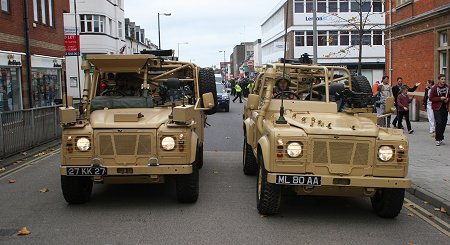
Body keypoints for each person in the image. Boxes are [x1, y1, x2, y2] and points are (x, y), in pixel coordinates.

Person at [429, 74, 450, 146]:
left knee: (444, 123)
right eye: (442, 79)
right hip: (437, 108)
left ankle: (441, 138)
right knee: (439, 122)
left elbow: (449, 96)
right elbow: (431, 98)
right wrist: (440, 98)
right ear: (439, 80)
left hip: (445, 107)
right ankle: (437, 139)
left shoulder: (447, 87)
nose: (443, 81)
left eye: (444, 79)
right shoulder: (434, 88)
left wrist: (447, 99)